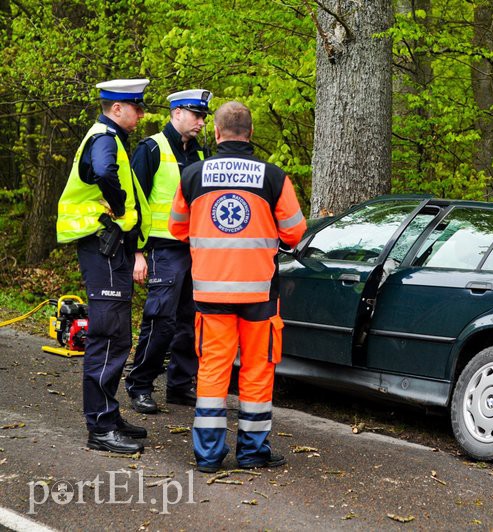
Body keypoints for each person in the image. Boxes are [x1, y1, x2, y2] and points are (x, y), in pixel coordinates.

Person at [169, 101, 306, 473]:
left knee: (213, 370)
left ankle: (209, 456)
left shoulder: (193, 175)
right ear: (250, 134)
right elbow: (294, 233)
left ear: (215, 133)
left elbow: (176, 229)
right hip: (259, 294)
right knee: (257, 370)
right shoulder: (273, 177)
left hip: (210, 293)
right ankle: (252, 451)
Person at [55, 79, 152, 454]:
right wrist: (120, 207)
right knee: (108, 337)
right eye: (136, 107)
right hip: (102, 246)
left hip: (110, 248)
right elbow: (102, 171)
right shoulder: (104, 139)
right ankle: (100, 427)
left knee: (117, 335)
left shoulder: (111, 139)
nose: (141, 114)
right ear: (117, 109)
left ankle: (108, 415)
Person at [126, 89, 212, 414]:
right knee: (160, 320)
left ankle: (179, 386)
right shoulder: (151, 149)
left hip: (196, 252)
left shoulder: (201, 156)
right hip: (162, 250)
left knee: (190, 322)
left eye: (204, 117)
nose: (201, 122)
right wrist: (136, 252)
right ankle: (140, 385)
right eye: (196, 115)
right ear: (176, 114)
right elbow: (132, 203)